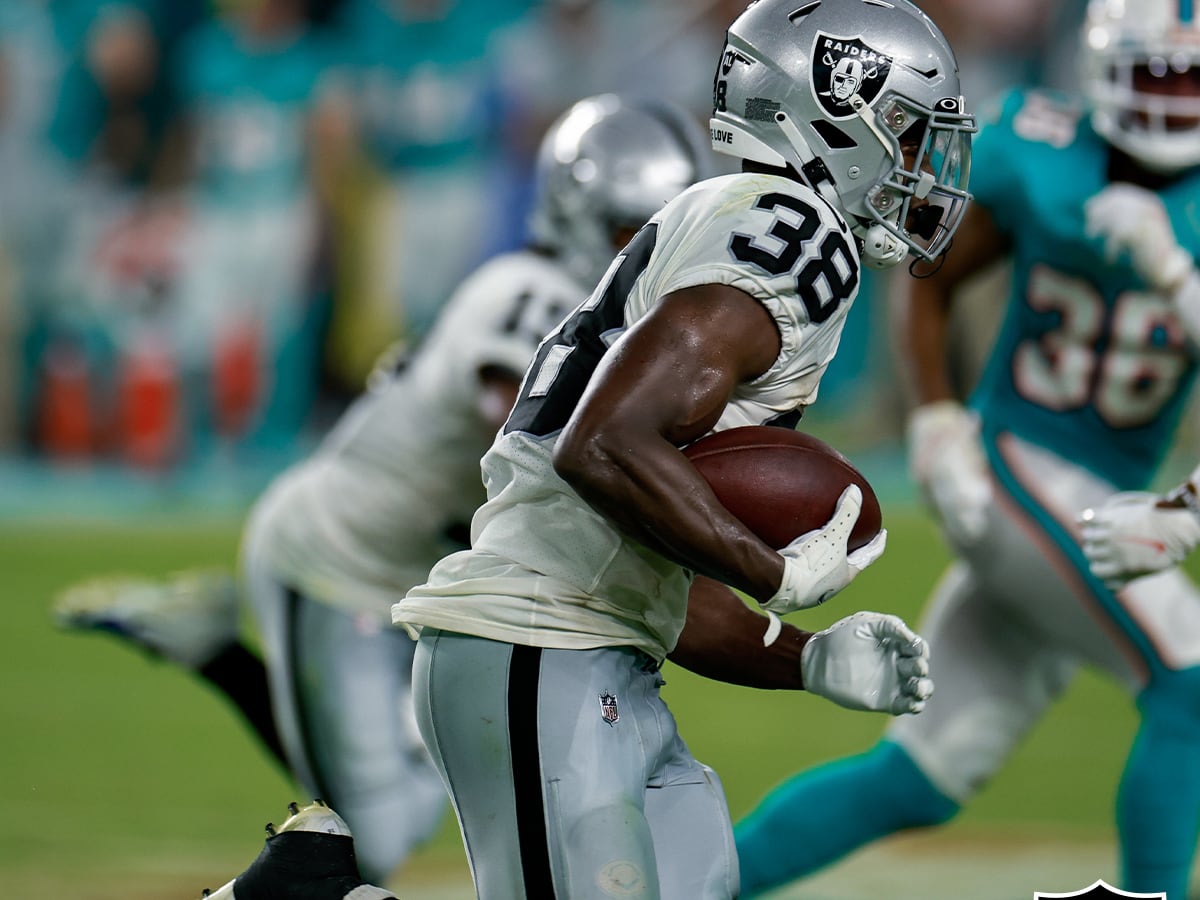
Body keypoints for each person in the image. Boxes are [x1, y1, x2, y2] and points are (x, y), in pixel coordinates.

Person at [52, 93, 712, 891]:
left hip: (418, 572)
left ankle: (213, 651)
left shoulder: (585, 318)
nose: (640, 255)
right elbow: (532, 435)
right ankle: (222, 689)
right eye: (627, 232)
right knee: (374, 839)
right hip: (332, 557)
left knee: (413, 807)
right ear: (579, 213)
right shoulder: (529, 291)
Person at [388, 0, 972, 897]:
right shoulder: (797, 233)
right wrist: (770, 569)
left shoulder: (745, 215)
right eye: (903, 126)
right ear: (830, 111)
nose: (921, 163)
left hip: (597, 651)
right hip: (538, 640)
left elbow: (654, 552)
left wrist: (804, 657)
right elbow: (608, 446)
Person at [732, 1, 1200, 897]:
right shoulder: (1044, 151)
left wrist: (1176, 276)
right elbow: (932, 271)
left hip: (1095, 495)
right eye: (1156, 74)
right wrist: (937, 414)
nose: (1175, 98)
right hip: (1016, 469)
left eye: (1191, 77)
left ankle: (698, 881)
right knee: (1190, 685)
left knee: (919, 780)